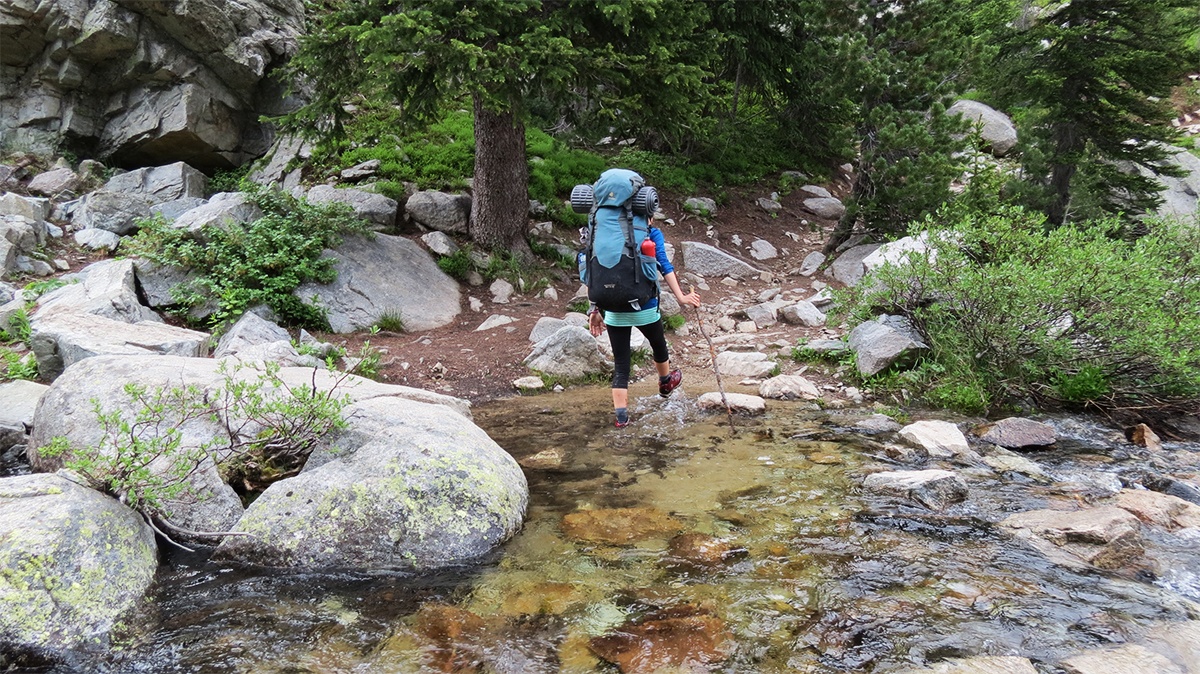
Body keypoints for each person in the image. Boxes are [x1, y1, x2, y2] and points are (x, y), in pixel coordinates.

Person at [588, 224, 701, 427]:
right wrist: (682, 297)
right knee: (659, 345)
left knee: (621, 367)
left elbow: (593, 271)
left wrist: (595, 310)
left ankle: (621, 420)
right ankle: (665, 383)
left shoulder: (604, 231)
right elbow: (664, 265)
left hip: (614, 310)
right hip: (645, 308)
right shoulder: (650, 233)